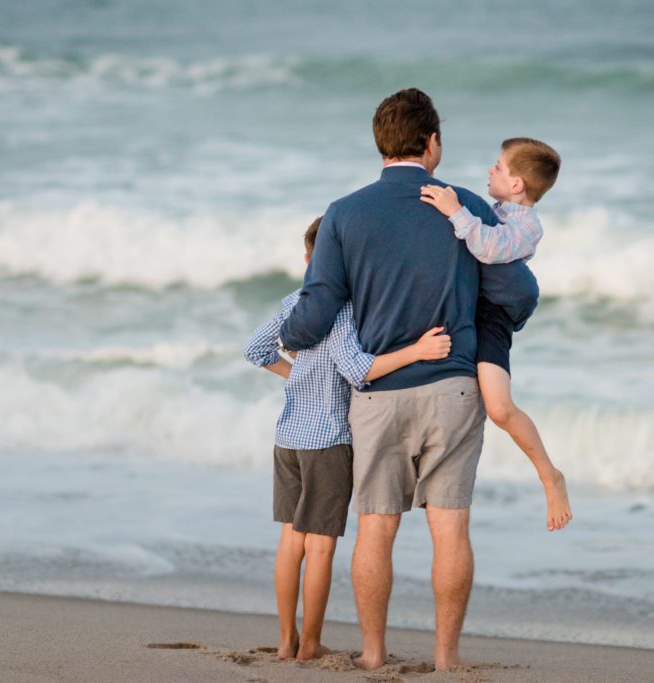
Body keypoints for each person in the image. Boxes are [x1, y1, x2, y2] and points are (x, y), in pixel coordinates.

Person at [279, 88, 540, 671]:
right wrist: (488, 321)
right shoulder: (463, 203)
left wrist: (291, 338)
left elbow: (319, 306)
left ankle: (373, 655)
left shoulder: (345, 213)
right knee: (450, 529)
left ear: (381, 144)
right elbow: (518, 291)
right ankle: (446, 659)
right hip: (454, 388)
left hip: (379, 394)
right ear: (432, 144)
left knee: (376, 527)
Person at [243, 216, 452, 662]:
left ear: (306, 261)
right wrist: (416, 351)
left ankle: (285, 641)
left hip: (288, 436)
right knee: (319, 544)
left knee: (289, 541)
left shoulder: (292, 302)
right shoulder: (343, 312)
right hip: (328, 441)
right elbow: (356, 369)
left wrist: (294, 375)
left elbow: (256, 349)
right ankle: (311, 644)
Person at [419, 138, 572, 532]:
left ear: (518, 184)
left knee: (500, 408)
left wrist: (455, 211)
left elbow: (489, 247)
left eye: (499, 166)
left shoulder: (526, 226)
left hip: (493, 318)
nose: (490, 170)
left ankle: (549, 475)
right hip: (467, 306)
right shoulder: (494, 210)